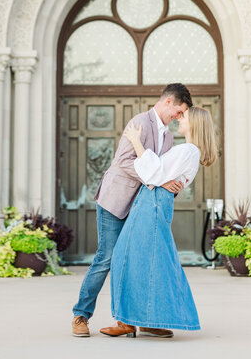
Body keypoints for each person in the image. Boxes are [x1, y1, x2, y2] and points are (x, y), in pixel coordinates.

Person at [72, 83, 193, 338]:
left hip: (142, 207)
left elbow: (164, 170)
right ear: (168, 102)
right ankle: (81, 315)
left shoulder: (169, 136)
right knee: (107, 258)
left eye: (182, 115)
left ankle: (143, 319)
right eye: (179, 111)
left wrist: (175, 183)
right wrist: (157, 181)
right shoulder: (139, 122)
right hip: (115, 201)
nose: (179, 117)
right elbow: (124, 162)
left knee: (141, 261)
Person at [100, 106, 217, 338]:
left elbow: (152, 172)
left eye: (184, 116)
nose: (179, 118)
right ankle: (144, 320)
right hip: (153, 201)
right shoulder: (188, 150)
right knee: (147, 261)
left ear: (194, 123)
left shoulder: (188, 150)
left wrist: (136, 141)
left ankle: (128, 321)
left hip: (151, 203)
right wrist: (162, 180)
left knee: (127, 257)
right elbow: (160, 175)